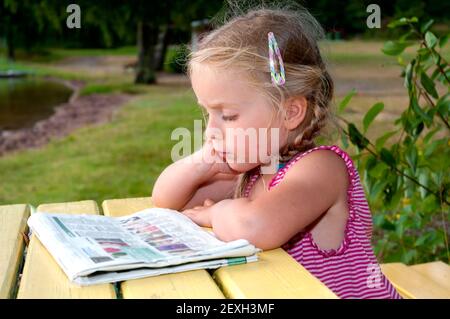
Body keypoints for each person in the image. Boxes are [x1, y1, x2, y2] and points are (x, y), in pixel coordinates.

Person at [152, 6, 401, 299]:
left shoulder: (321, 168)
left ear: (290, 112)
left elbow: (256, 226)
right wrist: (201, 163)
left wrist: (215, 211)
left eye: (228, 116)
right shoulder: (252, 170)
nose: (210, 130)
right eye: (208, 114)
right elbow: (167, 201)